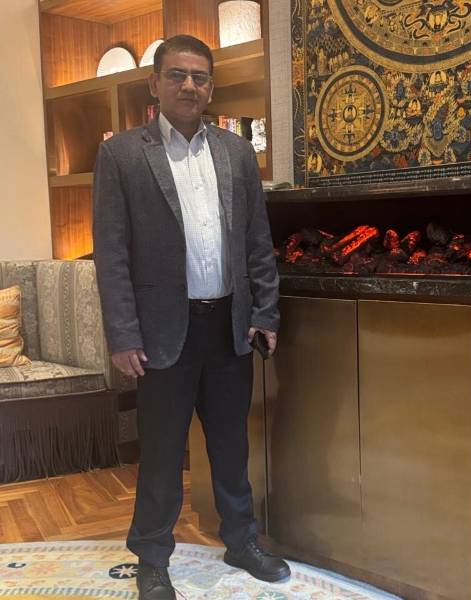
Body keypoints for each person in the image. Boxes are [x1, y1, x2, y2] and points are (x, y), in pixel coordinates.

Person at [92, 34, 290, 600]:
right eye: (177, 75)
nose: (189, 85)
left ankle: (241, 541)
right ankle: (152, 558)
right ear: (153, 83)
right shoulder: (122, 155)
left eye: (200, 77)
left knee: (231, 446)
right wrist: (123, 334)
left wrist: (266, 311)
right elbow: (111, 254)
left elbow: (257, 242)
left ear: (211, 87)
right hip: (161, 333)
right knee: (160, 454)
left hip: (229, 326)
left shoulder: (236, 153)